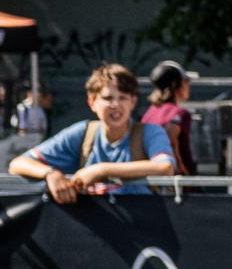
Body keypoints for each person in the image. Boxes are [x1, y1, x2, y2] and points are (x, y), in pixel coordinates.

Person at [10, 63, 175, 202]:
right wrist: (51, 174)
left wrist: (101, 170)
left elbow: (165, 167)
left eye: (123, 98)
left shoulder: (150, 132)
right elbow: (18, 164)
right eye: (108, 98)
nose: (116, 105)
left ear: (133, 102)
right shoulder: (83, 133)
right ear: (92, 102)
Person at [142, 61, 197, 177]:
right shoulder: (180, 113)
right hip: (175, 180)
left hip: (152, 177)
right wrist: (181, 168)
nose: (188, 86)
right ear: (175, 84)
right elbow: (170, 137)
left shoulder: (150, 112)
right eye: (186, 81)